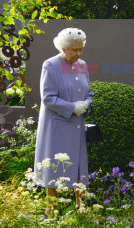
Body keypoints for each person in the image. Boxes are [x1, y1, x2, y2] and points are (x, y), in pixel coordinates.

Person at [34, 27, 94, 216]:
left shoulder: (83, 65)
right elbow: (48, 98)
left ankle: (81, 210)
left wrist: (86, 104)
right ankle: (51, 212)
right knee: (54, 171)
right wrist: (71, 108)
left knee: (78, 169)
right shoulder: (50, 65)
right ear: (63, 48)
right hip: (56, 128)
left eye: (81, 49)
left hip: (76, 128)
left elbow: (89, 92)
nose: (79, 53)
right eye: (75, 50)